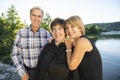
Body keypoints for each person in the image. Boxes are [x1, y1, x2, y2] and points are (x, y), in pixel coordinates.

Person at [11, 6, 52, 80]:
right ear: (30, 16)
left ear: (42, 18)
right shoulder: (21, 33)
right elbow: (15, 55)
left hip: (42, 73)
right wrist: (22, 73)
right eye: (34, 15)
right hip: (27, 73)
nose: (36, 18)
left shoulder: (47, 34)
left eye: (39, 16)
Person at [65, 15, 103, 80]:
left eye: (72, 26)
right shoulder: (75, 42)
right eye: (67, 28)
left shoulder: (82, 41)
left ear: (80, 28)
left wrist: (68, 47)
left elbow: (72, 66)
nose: (69, 30)